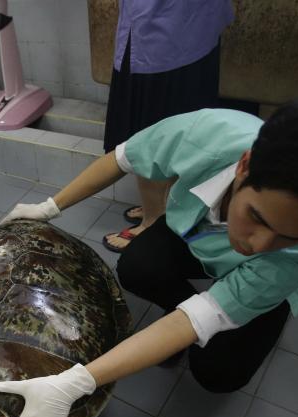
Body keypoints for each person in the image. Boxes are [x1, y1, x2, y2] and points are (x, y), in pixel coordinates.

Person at [0, 94, 298, 417]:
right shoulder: (207, 134)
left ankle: (242, 322)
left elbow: (202, 315)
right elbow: (122, 158)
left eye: (289, 237)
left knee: (217, 372)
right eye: (256, 217)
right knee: (137, 266)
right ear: (244, 166)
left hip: (264, 282)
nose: (259, 243)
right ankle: (170, 330)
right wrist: (49, 207)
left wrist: (72, 384)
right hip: (195, 232)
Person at [102, 0, 233, 253]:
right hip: (195, 25)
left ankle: (153, 220)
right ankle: (162, 207)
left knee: (149, 133)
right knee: (181, 121)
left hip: (161, 32)